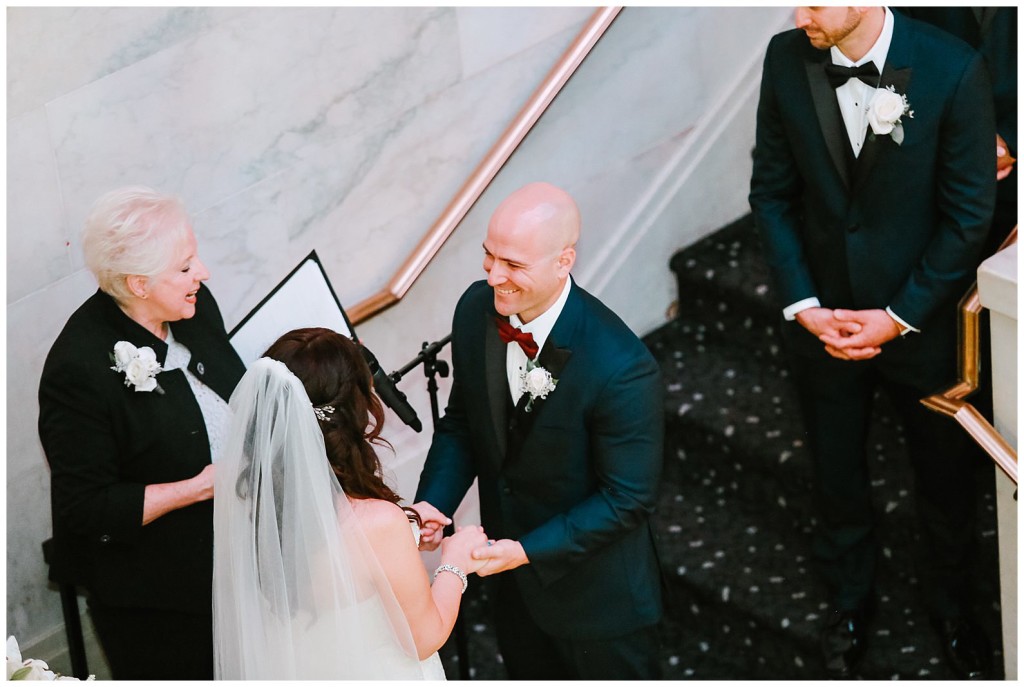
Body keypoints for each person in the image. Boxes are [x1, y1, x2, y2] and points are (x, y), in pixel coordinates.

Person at [749, 7, 996, 679]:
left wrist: (900, 314)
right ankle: (849, 602)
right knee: (835, 473)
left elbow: (969, 212)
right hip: (822, 324)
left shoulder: (953, 68)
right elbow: (771, 194)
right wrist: (805, 306)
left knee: (944, 479)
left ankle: (952, 606)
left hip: (925, 329)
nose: (799, 14)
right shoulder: (785, 57)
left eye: (815, 1)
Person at [412, 182, 665, 679]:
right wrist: (433, 503)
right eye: (489, 257)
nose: (494, 276)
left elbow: (627, 498)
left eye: (513, 264)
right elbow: (465, 422)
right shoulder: (475, 312)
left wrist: (526, 551)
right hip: (514, 592)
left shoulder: (622, 366)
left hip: (599, 602)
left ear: (564, 260)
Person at [38, 186, 247, 679]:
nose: (203, 273)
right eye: (185, 265)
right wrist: (200, 488)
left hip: (238, 564)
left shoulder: (191, 307)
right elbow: (87, 507)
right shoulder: (79, 368)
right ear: (138, 284)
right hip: (161, 602)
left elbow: (231, 383)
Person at [212, 328, 489, 679]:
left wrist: (408, 525)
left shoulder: (255, 500)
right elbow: (424, 639)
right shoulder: (377, 523)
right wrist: (455, 563)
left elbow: (340, 558)